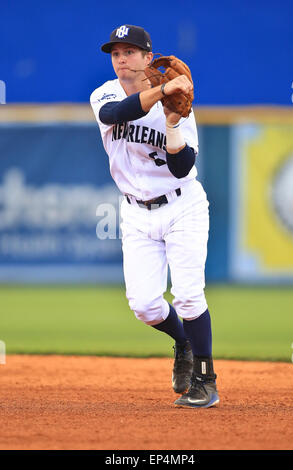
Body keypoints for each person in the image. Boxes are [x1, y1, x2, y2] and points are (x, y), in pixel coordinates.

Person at [90, 24, 219, 408]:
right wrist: (162, 91)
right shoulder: (104, 94)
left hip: (182, 206)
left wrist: (174, 120)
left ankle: (206, 380)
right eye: (115, 52)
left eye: (130, 51)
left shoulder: (180, 103)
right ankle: (183, 342)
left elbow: (182, 167)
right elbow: (117, 113)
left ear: (149, 58)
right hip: (135, 212)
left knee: (189, 297)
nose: (121, 59)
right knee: (144, 305)